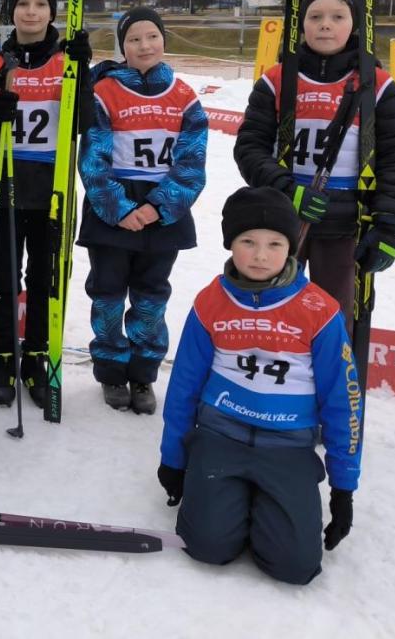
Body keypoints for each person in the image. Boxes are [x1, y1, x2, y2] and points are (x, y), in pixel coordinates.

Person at [157, 186, 362, 585]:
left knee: (295, 567)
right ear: (230, 244)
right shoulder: (211, 301)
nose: (261, 255)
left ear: (292, 246)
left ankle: (271, 504)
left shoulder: (319, 311)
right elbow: (184, 384)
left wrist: (344, 487)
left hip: (288, 446)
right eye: (247, 242)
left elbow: (344, 402)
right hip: (220, 437)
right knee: (206, 547)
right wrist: (173, 458)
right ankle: (228, 499)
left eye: (274, 243)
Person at [233, 0, 395, 328]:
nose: (325, 24)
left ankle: (330, 378)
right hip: (280, 220)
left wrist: (389, 226)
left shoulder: (377, 85)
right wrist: (288, 190)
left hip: (346, 222)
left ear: (355, 25)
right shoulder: (275, 80)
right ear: (301, 26)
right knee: (272, 311)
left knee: (331, 317)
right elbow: (250, 148)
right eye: (315, 17)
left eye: (337, 17)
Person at [0, 0, 93, 407]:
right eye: (24, 5)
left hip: (52, 184)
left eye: (41, 5)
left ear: (52, 12)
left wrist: (85, 75)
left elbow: (84, 126)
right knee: (4, 275)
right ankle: (5, 355)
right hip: (3, 180)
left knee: (45, 277)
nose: (32, 13)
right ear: (12, 12)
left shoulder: (68, 61)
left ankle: (37, 358)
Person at [78, 7, 207, 413]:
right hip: (114, 208)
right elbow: (93, 159)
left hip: (162, 211)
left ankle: (143, 372)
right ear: (123, 46)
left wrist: (157, 208)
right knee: (108, 294)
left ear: (163, 39)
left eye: (151, 36)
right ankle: (112, 371)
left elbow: (192, 162)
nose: (144, 45)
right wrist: (120, 209)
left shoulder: (185, 97)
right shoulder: (105, 92)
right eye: (134, 39)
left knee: (151, 296)